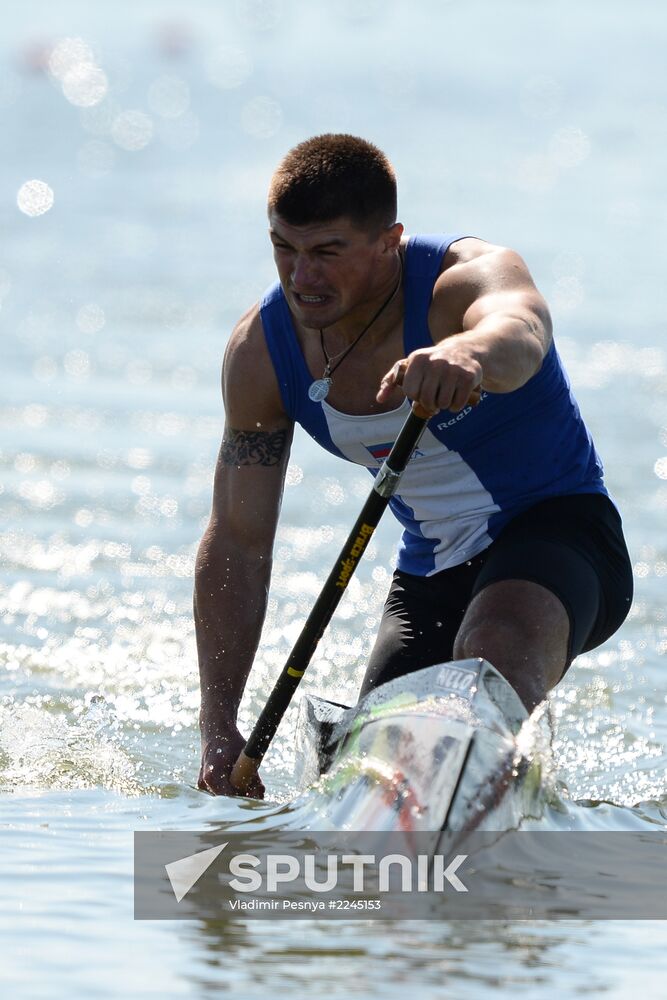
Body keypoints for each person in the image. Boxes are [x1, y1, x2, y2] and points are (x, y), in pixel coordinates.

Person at [195, 133, 633, 798]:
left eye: (326, 253)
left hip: (560, 533)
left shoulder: (462, 279)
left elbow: (521, 328)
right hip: (430, 570)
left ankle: (486, 810)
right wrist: (218, 725)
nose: (300, 278)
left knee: (491, 647)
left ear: (388, 240)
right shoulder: (260, 353)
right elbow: (238, 540)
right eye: (284, 247)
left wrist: (470, 354)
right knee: (373, 766)